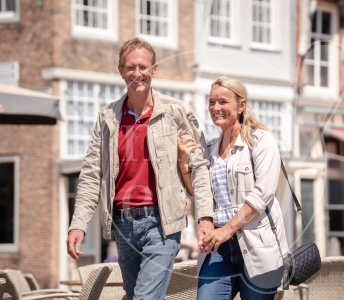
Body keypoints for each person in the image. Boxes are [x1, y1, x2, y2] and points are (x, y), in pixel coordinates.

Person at [66, 37, 214, 300]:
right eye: (131, 67)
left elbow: (200, 166)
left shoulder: (175, 112)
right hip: (123, 226)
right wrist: (78, 224)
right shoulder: (107, 117)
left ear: (154, 70)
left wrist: (205, 216)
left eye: (143, 67)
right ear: (121, 71)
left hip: (162, 225)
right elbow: (90, 174)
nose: (138, 74)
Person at [178, 77, 290, 300]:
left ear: (241, 105)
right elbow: (199, 193)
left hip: (257, 245)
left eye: (223, 102)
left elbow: (262, 196)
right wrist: (183, 160)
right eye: (211, 102)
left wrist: (226, 230)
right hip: (219, 250)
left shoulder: (261, 141)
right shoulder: (208, 148)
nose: (216, 108)